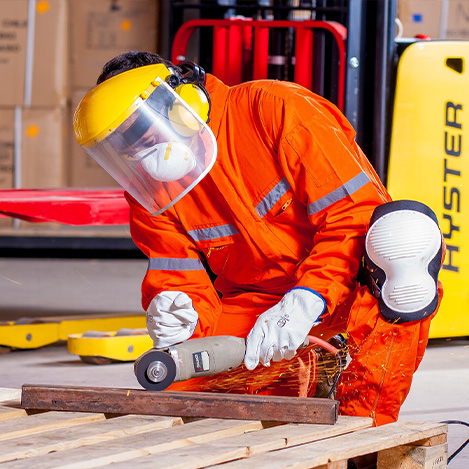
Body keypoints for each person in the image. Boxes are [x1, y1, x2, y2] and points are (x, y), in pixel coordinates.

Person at [73, 51, 445, 427]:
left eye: (139, 131)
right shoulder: (150, 191)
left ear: (181, 103)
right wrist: (176, 310)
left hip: (348, 281)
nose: (136, 152)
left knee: (403, 243)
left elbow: (354, 217)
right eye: (122, 144)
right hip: (260, 302)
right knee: (179, 383)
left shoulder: (276, 109)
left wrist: (308, 298)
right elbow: (177, 273)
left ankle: (361, 431)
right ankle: (314, 370)